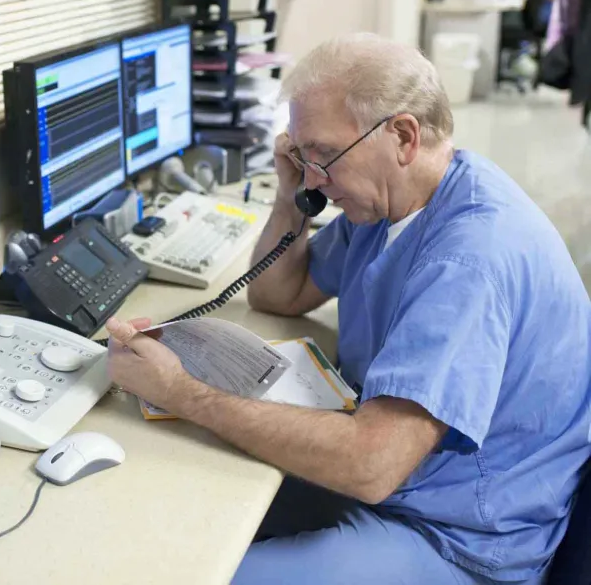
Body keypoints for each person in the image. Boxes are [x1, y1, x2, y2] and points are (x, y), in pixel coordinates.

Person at [104, 33, 591, 584]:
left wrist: (180, 393)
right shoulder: (394, 205)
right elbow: (278, 294)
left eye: (323, 156)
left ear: (403, 136)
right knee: (179, 499)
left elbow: (371, 465)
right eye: (301, 156)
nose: (317, 179)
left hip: (460, 538)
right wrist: (293, 190)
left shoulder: (468, 260)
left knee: (200, 571)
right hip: (403, 483)